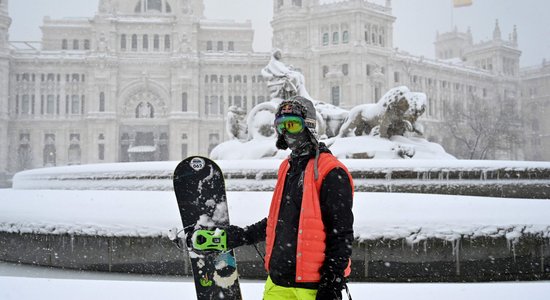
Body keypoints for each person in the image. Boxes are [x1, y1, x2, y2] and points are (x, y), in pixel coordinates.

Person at [193, 96, 354, 300]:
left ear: (309, 127)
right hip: (278, 281)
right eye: (280, 126)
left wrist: (332, 281)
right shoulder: (287, 167)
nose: (286, 132)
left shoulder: (331, 171)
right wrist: (242, 235)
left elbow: (341, 234)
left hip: (312, 287)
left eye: (293, 125)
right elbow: (281, 222)